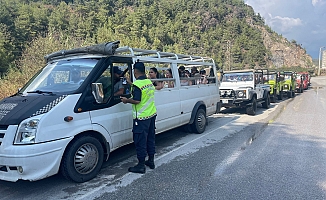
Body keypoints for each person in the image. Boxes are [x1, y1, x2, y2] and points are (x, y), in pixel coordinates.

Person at [120, 62, 157, 174]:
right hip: (151, 115)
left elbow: (137, 100)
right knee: (150, 138)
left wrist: (126, 101)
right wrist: (131, 83)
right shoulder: (148, 82)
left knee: (140, 141)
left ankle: (141, 165)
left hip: (141, 118)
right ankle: (151, 160)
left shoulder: (138, 85)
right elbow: (140, 90)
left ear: (135, 71)